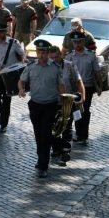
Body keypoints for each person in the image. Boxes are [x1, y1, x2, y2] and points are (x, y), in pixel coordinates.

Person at [18, 40, 65, 179]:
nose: (41, 55)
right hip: (35, 105)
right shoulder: (31, 67)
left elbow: (61, 86)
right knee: (38, 135)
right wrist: (21, 89)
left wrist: (63, 103)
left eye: (44, 52)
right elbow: (21, 80)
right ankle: (41, 159)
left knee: (45, 135)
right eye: (39, 52)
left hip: (50, 105)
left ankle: (44, 165)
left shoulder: (55, 68)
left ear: (48, 53)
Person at [49, 45, 84, 166]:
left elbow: (79, 81)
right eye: (52, 57)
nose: (54, 60)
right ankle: (56, 148)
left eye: (56, 57)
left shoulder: (69, 65)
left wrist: (82, 96)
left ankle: (66, 150)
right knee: (53, 127)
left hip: (67, 101)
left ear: (60, 55)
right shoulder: (47, 67)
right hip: (52, 102)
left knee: (67, 127)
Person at [0, 23, 26, 133]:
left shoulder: (13, 43)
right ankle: (2, 113)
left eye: (1, 32)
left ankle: (4, 124)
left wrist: (23, 60)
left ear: (6, 32)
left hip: (9, 76)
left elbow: (22, 54)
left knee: (6, 100)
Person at [66, 35, 102, 145]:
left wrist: (100, 87)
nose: (77, 44)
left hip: (87, 87)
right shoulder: (69, 57)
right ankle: (77, 133)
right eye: (75, 42)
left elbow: (97, 72)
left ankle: (83, 135)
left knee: (85, 111)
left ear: (83, 42)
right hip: (73, 88)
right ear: (73, 43)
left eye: (79, 42)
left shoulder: (91, 56)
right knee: (75, 111)